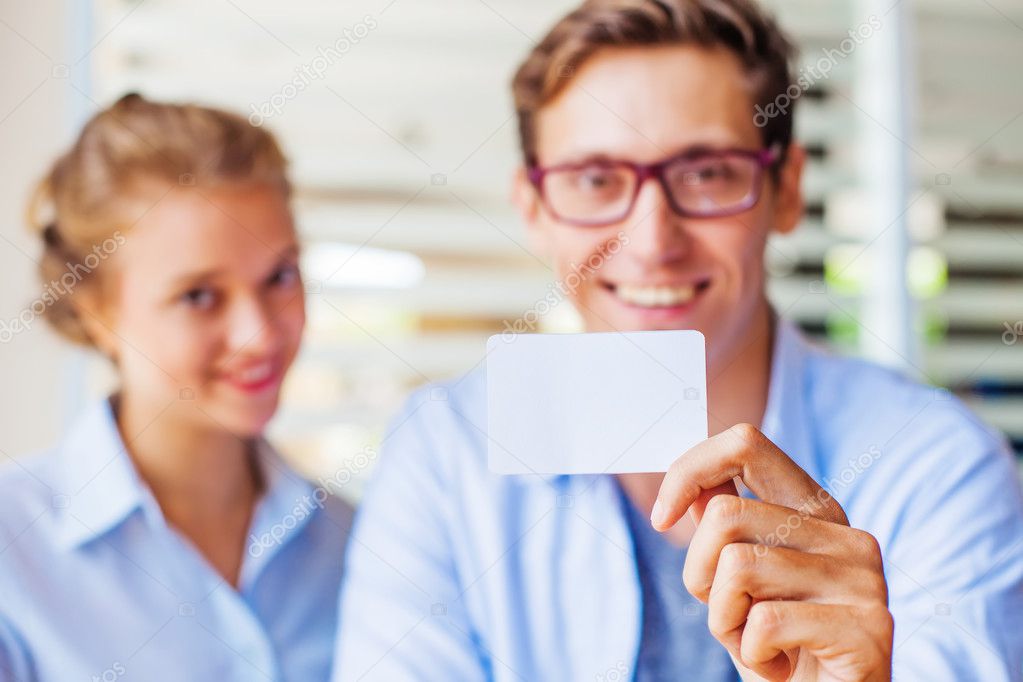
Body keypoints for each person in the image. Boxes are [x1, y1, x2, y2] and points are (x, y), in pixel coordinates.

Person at [331, 1, 1023, 680]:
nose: (652, 242)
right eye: (596, 179)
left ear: (785, 190)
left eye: (705, 173)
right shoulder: (443, 455)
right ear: (535, 210)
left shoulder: (937, 467)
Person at [0, 93, 352, 681]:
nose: (258, 335)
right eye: (199, 296)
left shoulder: (357, 543)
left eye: (279, 276)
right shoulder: (14, 549)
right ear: (96, 312)